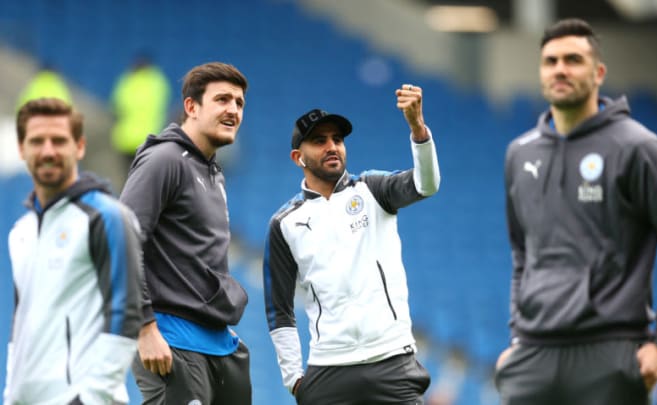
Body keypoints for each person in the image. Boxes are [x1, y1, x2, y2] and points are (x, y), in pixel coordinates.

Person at [495, 18, 657, 405]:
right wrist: (517, 339)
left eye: (573, 59)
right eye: (551, 61)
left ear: (599, 73)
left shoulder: (638, 148)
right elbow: (522, 255)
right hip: (534, 355)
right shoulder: (519, 153)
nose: (560, 69)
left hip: (609, 353)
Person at [263, 83, 440, 404]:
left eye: (338, 139)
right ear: (297, 157)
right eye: (319, 141)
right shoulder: (284, 223)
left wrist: (417, 129)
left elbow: (426, 184)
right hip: (329, 368)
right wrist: (294, 380)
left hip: (392, 360)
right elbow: (279, 309)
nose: (332, 146)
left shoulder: (372, 189)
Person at [119, 62, 251, 404]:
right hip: (171, 338)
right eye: (222, 99)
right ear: (191, 107)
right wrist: (145, 328)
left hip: (216, 342)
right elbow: (123, 240)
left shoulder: (213, 173)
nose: (233, 110)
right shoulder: (165, 160)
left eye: (239, 103)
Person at [4, 97, 143, 404]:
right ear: (22, 149)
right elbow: (20, 324)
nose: (48, 151)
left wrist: (92, 396)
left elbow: (126, 310)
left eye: (59, 140)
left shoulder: (107, 217)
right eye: (37, 141)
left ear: (79, 147)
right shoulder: (21, 232)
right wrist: (11, 394)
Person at [110, 53, 171, 173]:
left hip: (126, 139)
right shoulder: (158, 82)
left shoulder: (127, 81)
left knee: (128, 179)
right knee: (147, 178)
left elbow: (116, 108)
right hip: (151, 138)